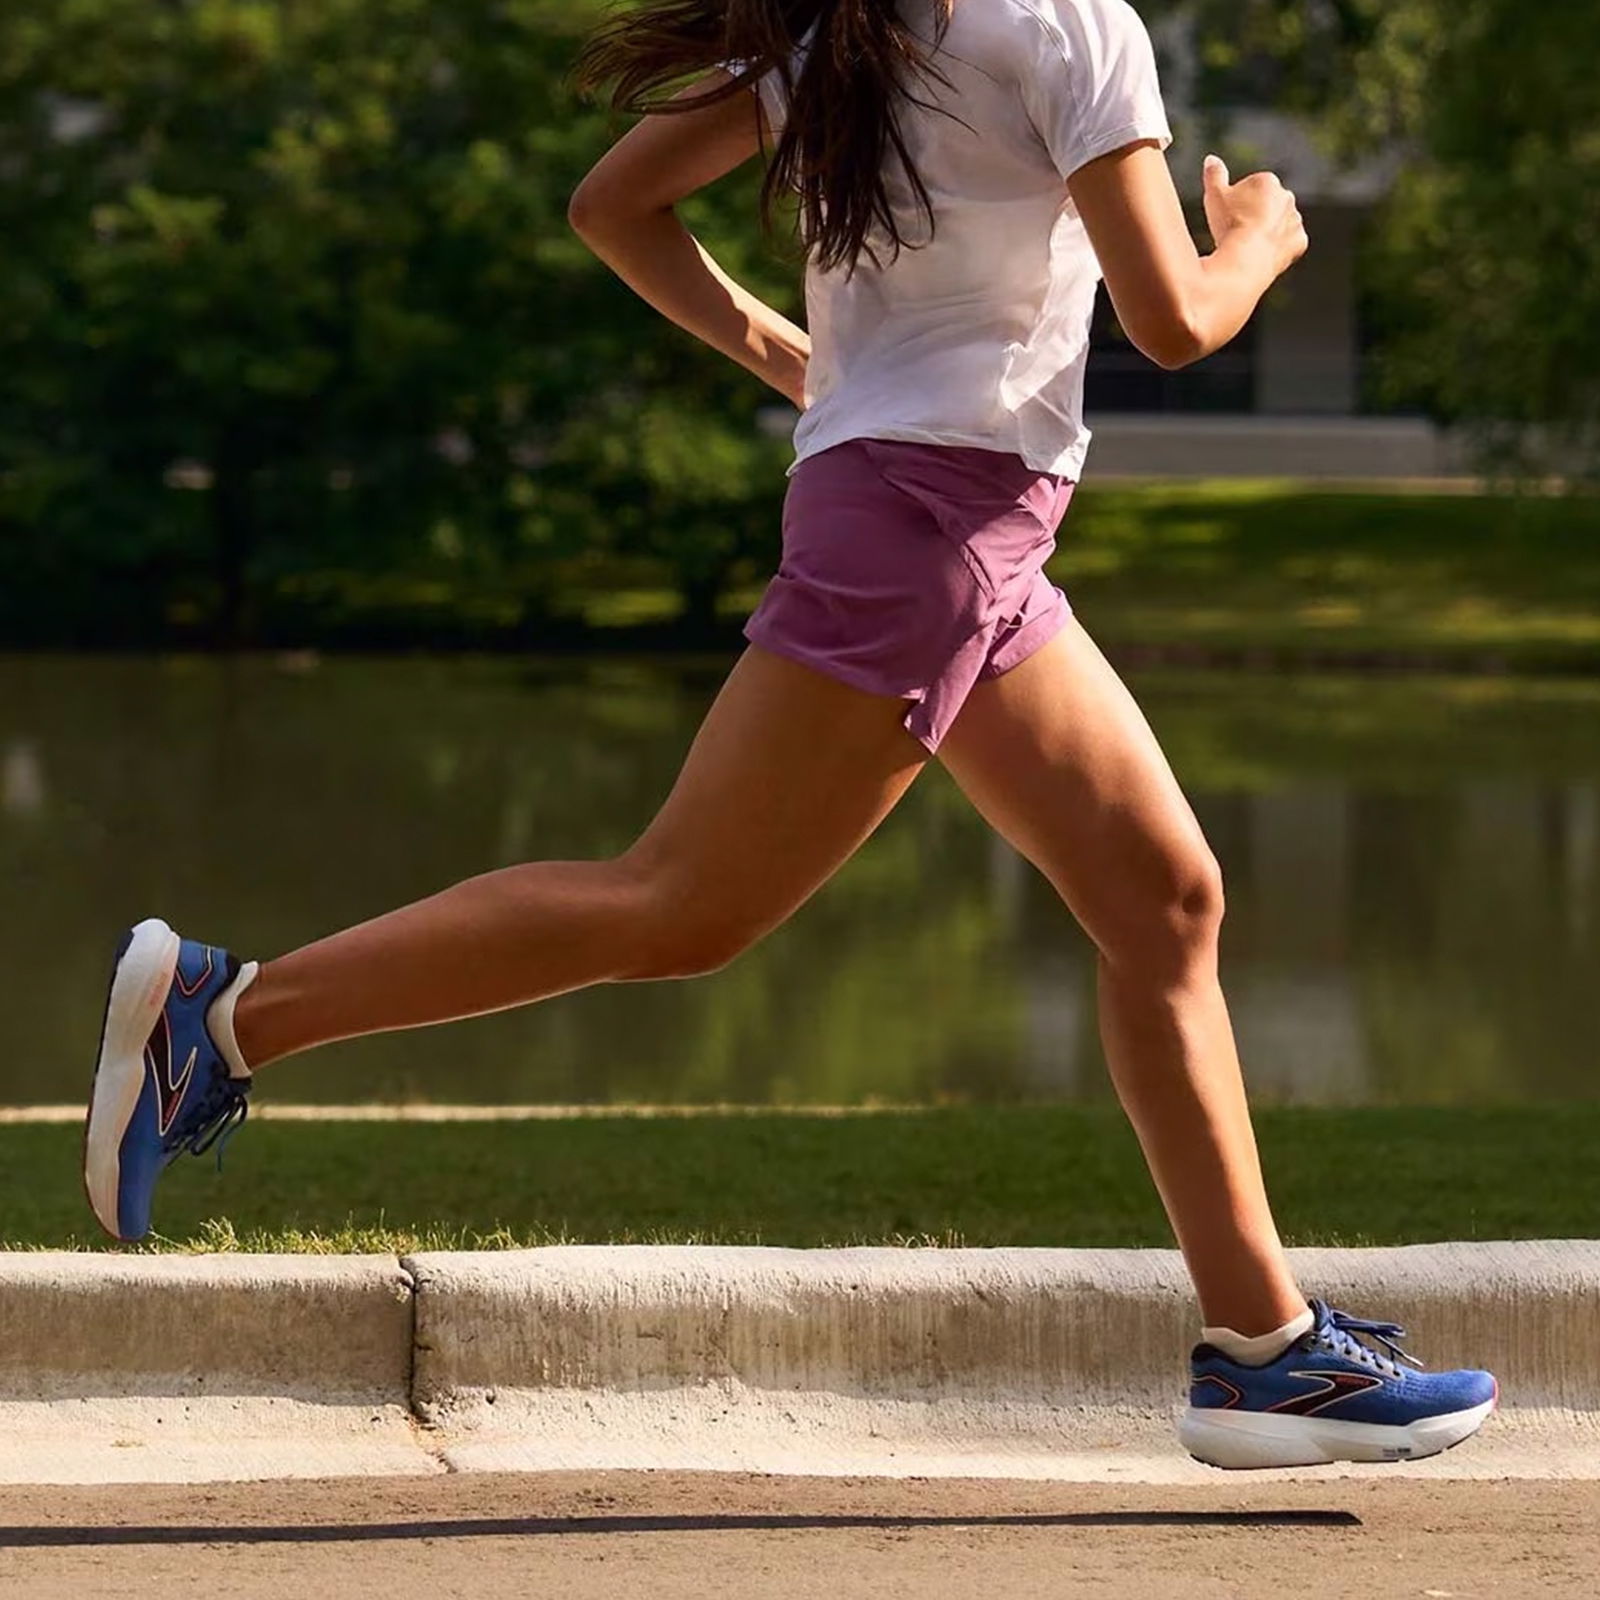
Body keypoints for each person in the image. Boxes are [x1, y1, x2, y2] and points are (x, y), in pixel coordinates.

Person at [82, 0, 1495, 1470]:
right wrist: (1263, 233)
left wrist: (787, 358)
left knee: (1166, 900)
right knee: (678, 907)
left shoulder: (850, 27)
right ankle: (227, 1019)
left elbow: (610, 204)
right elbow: (1176, 320)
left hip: (946, 522)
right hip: (937, 530)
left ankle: (1264, 1353)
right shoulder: (1072, 26)